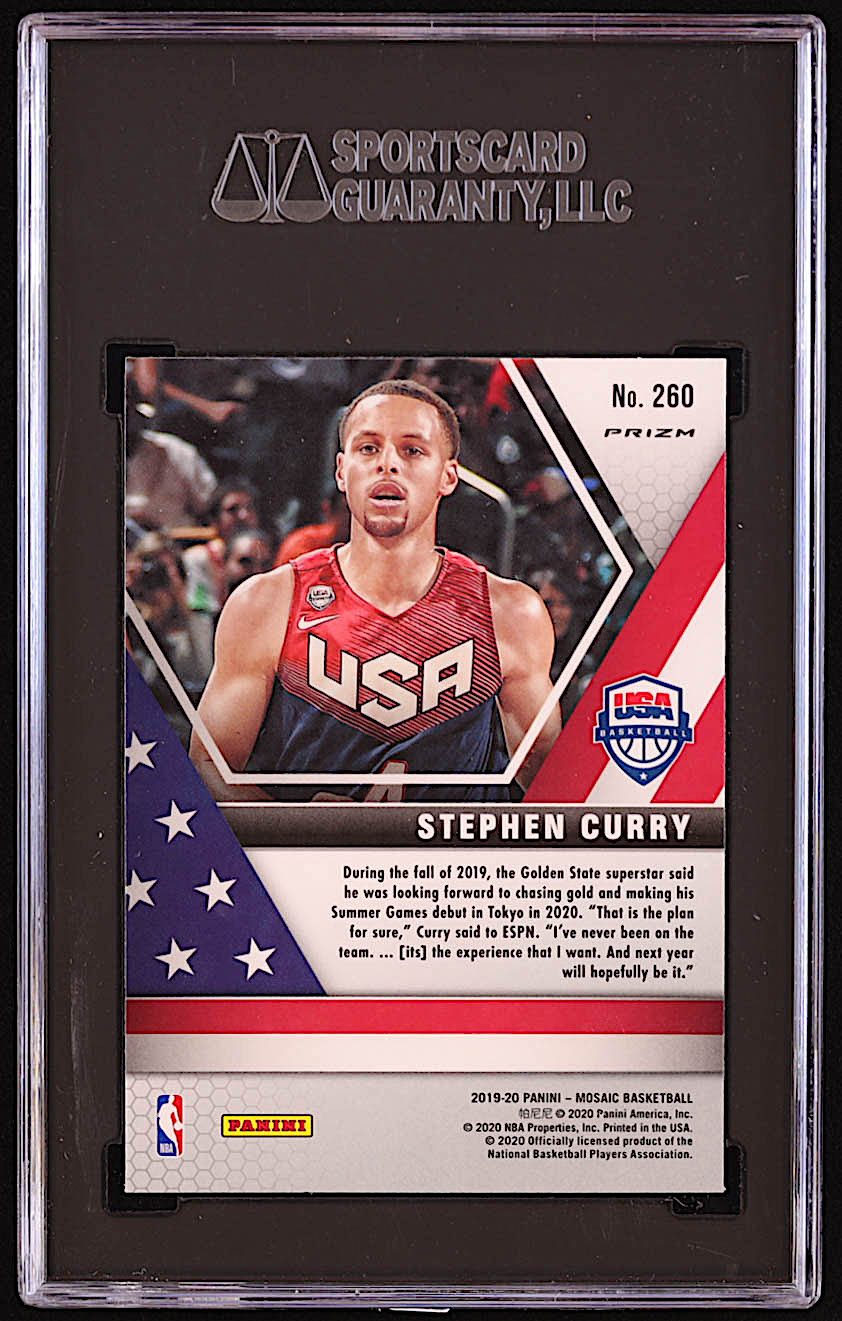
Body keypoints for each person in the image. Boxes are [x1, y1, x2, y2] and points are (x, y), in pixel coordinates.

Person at [190, 380, 560, 802]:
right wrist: (304, 830)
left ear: (448, 476)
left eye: (412, 450)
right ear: (341, 471)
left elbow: (556, 786)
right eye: (368, 448)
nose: (388, 464)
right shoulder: (267, 602)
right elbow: (208, 769)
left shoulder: (509, 611)